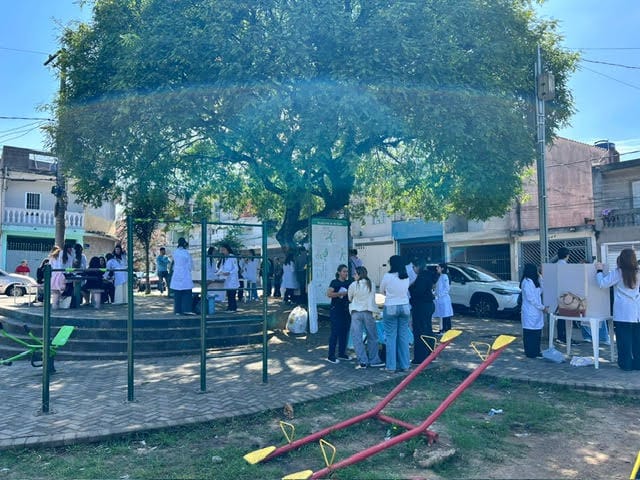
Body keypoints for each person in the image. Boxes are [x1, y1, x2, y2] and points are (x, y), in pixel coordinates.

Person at [595, 249, 640, 371]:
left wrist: (599, 270)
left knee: (624, 340)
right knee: (637, 340)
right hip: (636, 311)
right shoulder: (638, 272)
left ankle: (626, 364)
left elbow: (602, 283)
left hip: (622, 312)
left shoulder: (618, 273)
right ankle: (638, 363)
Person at [379, 255, 412, 373]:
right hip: (405, 306)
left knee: (391, 337)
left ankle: (391, 366)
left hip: (391, 306)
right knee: (403, 336)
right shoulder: (406, 276)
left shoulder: (387, 276)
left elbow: (381, 291)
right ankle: (405, 365)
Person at [348, 265, 384, 369]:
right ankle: (374, 359)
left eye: (355, 274)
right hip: (368, 312)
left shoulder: (353, 285)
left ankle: (363, 360)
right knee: (372, 336)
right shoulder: (371, 284)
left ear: (359, 274)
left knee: (357, 337)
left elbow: (350, 298)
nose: (354, 275)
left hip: (356, 312)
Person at [409, 258, 437, 364]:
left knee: (420, 331)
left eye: (413, 267)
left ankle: (420, 357)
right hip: (428, 305)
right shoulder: (428, 275)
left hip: (421, 306)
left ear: (418, 267)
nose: (413, 269)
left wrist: (411, 288)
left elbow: (418, 292)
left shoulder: (421, 277)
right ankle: (430, 354)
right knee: (428, 329)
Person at [326, 264, 353, 364]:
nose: (346, 273)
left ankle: (342, 353)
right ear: (339, 272)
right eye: (344, 271)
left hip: (346, 310)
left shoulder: (349, 282)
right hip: (336, 310)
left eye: (347, 271)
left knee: (344, 332)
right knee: (335, 332)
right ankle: (331, 355)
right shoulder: (334, 282)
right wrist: (340, 294)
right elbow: (329, 294)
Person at [520, 263, 548, 358]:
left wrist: (540, 277)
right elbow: (531, 298)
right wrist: (542, 307)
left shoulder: (535, 281)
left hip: (537, 311)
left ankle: (536, 351)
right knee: (529, 333)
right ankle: (530, 352)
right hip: (529, 311)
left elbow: (541, 290)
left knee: (537, 332)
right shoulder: (526, 282)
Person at [169, 237, 194, 315]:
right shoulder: (186, 253)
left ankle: (177, 311)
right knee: (187, 292)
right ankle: (186, 309)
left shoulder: (175, 252)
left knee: (177, 294)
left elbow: (174, 263)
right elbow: (190, 265)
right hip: (185, 273)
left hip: (177, 273)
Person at [217, 243, 240, 312]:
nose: (222, 251)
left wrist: (229, 272)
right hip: (226, 279)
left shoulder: (232, 257)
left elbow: (236, 268)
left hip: (232, 279)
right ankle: (230, 307)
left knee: (232, 294)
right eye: (221, 250)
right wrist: (218, 273)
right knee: (229, 294)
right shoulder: (224, 258)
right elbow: (222, 267)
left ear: (227, 250)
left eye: (223, 250)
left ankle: (233, 308)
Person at [555, 247, 571, 344]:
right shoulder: (566, 267)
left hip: (556, 294)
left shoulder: (554, 266)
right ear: (567, 255)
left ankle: (560, 336)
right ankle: (565, 337)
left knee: (559, 316)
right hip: (565, 294)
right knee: (566, 317)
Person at [433, 263, 454, 333]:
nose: (436, 268)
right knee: (442, 315)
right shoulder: (441, 276)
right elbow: (438, 288)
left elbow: (446, 288)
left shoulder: (444, 276)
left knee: (445, 315)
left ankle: (445, 330)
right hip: (440, 299)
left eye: (438, 267)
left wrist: (439, 295)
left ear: (442, 268)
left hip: (444, 299)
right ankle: (442, 329)